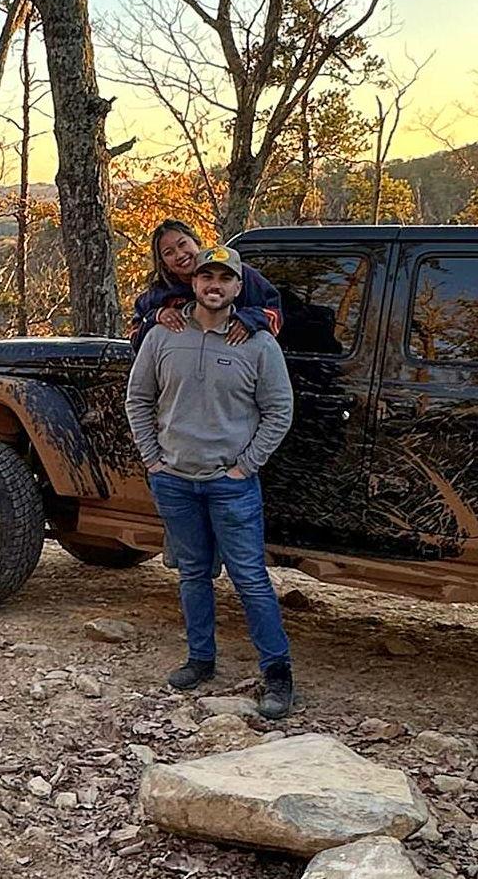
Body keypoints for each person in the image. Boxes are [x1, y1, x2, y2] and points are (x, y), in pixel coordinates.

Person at [125, 246, 296, 719]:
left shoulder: (258, 344)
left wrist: (245, 466)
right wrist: (153, 460)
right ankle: (200, 659)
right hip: (174, 481)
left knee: (250, 579)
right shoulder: (163, 336)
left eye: (224, 278)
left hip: (231, 484)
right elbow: (138, 399)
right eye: (206, 277)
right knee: (193, 575)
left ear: (238, 287)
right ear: (194, 284)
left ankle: (277, 672)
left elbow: (280, 411)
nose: (214, 285)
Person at [129, 220, 282, 352]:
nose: (180, 255)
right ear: (163, 264)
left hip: (236, 364)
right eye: (169, 253)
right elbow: (135, 338)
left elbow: (276, 314)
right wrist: (157, 316)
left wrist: (249, 320)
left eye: (183, 244)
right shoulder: (159, 293)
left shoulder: (239, 273)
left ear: (196, 241)